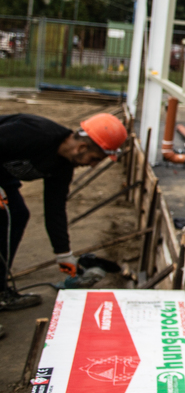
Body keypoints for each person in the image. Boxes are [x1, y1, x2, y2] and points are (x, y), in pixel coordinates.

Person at [0, 113, 127, 319]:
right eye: (95, 159)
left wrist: (64, 254)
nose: (92, 165)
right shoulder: (34, 134)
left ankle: (1, 291)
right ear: (81, 147)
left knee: (17, 215)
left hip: (3, 176)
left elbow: (55, 208)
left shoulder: (62, 166)